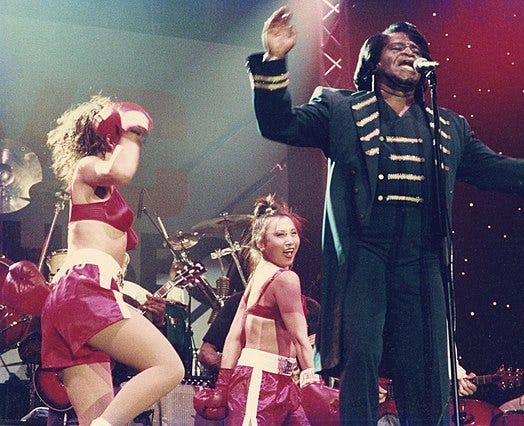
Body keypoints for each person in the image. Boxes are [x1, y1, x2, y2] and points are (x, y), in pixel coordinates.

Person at [245, 7, 524, 425]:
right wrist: (274, 60)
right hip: (364, 254)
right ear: (373, 60)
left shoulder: (449, 126)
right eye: (397, 46)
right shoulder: (339, 108)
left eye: (416, 48)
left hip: (422, 259)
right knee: (362, 356)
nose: (409, 51)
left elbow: (499, 170)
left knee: (424, 366)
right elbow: (278, 124)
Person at [40, 95, 185, 425]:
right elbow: (120, 170)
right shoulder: (88, 168)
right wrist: (133, 132)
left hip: (78, 298)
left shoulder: (100, 187)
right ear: (111, 134)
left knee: (100, 418)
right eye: (125, 134)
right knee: (169, 367)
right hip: (86, 289)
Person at [195, 195, 320, 424]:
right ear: (262, 243)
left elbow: (234, 335)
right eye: (280, 235)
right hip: (261, 382)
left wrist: (224, 384)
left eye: (293, 233)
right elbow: (301, 340)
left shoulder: (259, 273)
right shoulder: (286, 279)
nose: (290, 241)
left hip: (274, 380)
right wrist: (313, 382)